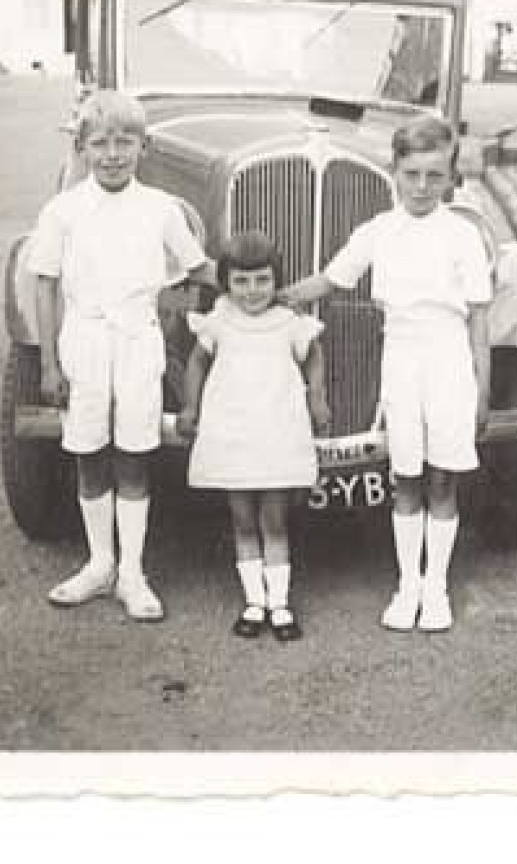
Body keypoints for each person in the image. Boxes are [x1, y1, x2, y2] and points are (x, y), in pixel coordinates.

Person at [281, 115, 491, 633]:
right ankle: (407, 586)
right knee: (406, 477)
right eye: (411, 174)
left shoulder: (463, 235)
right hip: (400, 358)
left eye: (434, 176)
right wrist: (273, 298)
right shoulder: (378, 231)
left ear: (451, 179)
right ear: (394, 171)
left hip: (449, 363)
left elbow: (479, 321)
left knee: (444, 479)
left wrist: (482, 391)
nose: (421, 187)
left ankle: (436, 587)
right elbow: (331, 281)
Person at [25, 90, 209, 621]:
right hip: (83, 341)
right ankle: (98, 564)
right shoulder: (63, 210)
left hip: (138, 342)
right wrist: (49, 365)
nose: (111, 154)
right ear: (81, 148)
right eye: (99, 143)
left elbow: (197, 268)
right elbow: (45, 284)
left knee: (133, 455)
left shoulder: (160, 209)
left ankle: (132, 572)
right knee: (88, 453)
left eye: (123, 142)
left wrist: (260, 282)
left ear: (143, 147)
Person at [177, 231, 330, 643]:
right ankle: (253, 602)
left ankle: (279, 605)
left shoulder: (288, 322)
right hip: (232, 433)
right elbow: (196, 362)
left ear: (276, 280)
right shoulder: (220, 318)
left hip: (276, 430)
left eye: (262, 280)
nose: (252, 291)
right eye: (241, 281)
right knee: (242, 517)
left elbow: (313, 354)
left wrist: (316, 398)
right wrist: (190, 408)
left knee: (274, 518)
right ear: (225, 282)